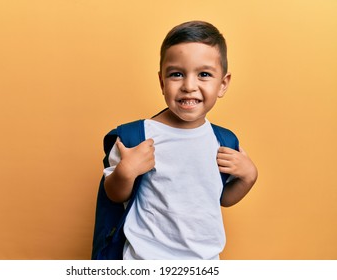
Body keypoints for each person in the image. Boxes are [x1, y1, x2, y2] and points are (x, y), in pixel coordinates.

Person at [102, 20, 258, 259]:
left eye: (204, 74)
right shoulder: (136, 138)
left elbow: (222, 199)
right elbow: (113, 195)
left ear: (222, 84)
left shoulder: (223, 141)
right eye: (176, 74)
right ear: (162, 82)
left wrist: (248, 177)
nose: (189, 86)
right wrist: (125, 172)